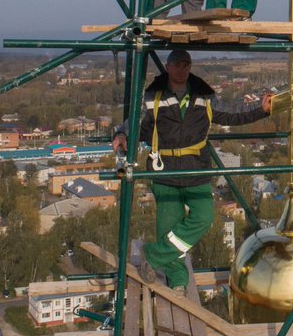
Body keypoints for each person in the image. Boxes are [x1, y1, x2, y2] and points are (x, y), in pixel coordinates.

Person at [112, 49, 273, 289]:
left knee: (204, 217)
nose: (182, 69)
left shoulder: (204, 96)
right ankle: (177, 281)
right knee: (168, 227)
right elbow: (136, 121)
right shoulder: (153, 96)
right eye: (177, 64)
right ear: (168, 67)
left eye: (186, 65)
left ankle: (154, 255)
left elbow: (232, 116)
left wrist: (261, 110)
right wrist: (122, 134)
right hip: (164, 168)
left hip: (195, 167)